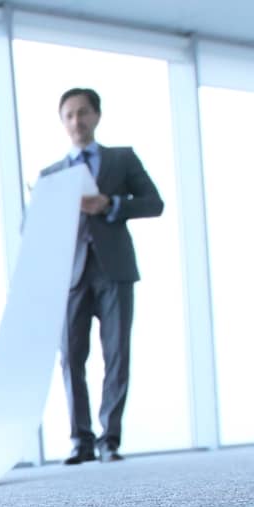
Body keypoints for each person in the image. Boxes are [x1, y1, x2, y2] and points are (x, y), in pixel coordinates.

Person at [38, 87, 164, 464]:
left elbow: (154, 203)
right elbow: (36, 229)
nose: (76, 121)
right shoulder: (51, 175)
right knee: (71, 358)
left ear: (96, 116)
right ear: (63, 122)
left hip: (116, 271)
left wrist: (111, 204)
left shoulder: (121, 159)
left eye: (82, 113)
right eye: (69, 115)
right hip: (72, 275)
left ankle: (110, 439)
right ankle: (82, 441)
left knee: (117, 354)